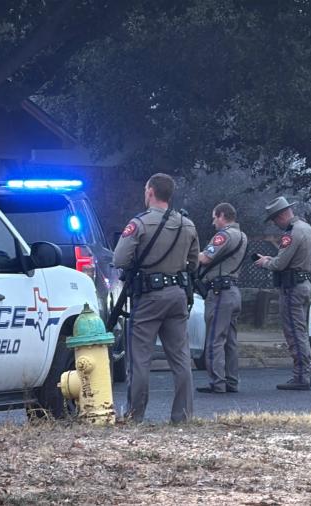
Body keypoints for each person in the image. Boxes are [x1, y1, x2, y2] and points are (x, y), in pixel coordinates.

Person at [114, 173, 199, 423]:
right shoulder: (187, 224)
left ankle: (135, 415)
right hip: (178, 295)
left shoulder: (139, 224)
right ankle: (182, 417)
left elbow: (119, 260)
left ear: (150, 191)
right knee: (181, 358)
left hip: (149, 297)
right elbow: (193, 264)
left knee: (140, 358)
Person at [254, 197, 311, 390]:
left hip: (292, 288)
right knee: (301, 331)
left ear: (282, 215)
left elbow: (280, 264)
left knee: (294, 332)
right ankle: (305, 372)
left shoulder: (291, 233)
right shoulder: (307, 228)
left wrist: (264, 262)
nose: (275, 223)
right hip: (304, 282)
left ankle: (301, 375)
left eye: (275, 219)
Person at [195, 203, 248, 394]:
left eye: (214, 217)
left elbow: (205, 259)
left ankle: (217, 382)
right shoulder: (242, 236)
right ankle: (232, 381)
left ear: (222, 215)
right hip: (233, 291)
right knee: (230, 340)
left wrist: (191, 254)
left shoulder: (224, 235)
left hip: (220, 293)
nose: (213, 222)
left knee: (214, 339)